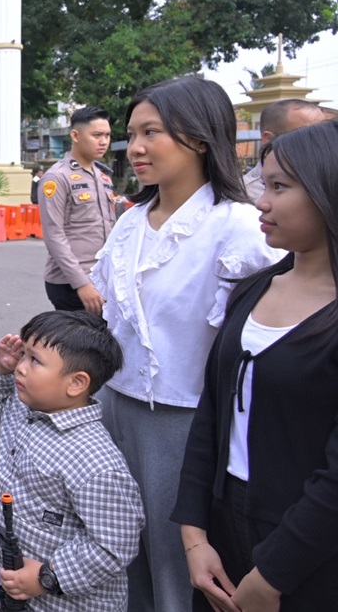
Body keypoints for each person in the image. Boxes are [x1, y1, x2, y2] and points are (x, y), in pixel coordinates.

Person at [89, 77, 283, 612]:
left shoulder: (238, 228)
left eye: (153, 132)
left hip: (186, 423)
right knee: (119, 558)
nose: (138, 147)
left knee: (176, 569)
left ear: (199, 138)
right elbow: (109, 324)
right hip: (114, 411)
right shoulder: (130, 223)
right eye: (133, 133)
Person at [173, 120, 338, 610]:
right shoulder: (253, 289)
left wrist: (272, 576)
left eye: (280, 187)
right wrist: (195, 538)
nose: (262, 202)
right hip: (225, 526)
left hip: (308, 548)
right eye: (263, 185)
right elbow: (211, 417)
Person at [0, 310, 145, 610]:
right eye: (23, 354)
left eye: (35, 361)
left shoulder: (94, 461)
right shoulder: (23, 407)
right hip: (17, 587)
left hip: (67, 602)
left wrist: (46, 577)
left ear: (77, 383)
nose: (21, 367)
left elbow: (114, 544)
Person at [39, 106, 118, 314]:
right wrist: (81, 283)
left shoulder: (103, 177)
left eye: (107, 135)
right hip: (71, 283)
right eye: (97, 135)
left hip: (101, 279)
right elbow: (54, 234)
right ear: (75, 135)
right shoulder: (57, 177)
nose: (104, 142)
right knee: (80, 344)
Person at [243, 99, 326, 201]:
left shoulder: (328, 179)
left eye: (323, 134)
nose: (320, 142)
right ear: (268, 139)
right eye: (306, 135)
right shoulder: (246, 194)